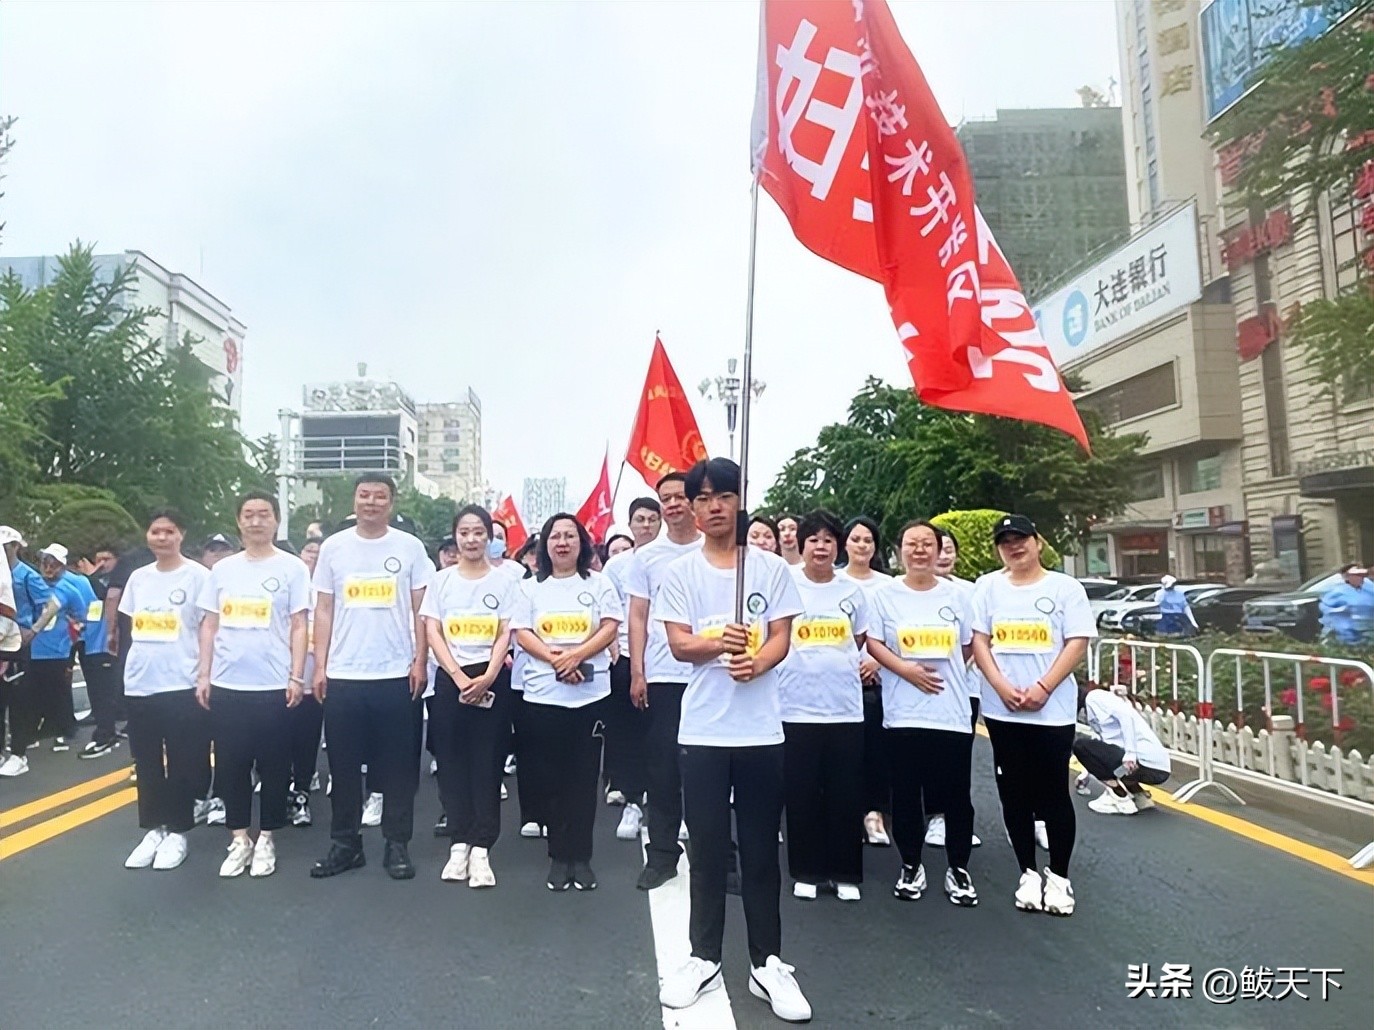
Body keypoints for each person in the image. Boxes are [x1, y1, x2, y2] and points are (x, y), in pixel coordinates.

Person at [656, 458, 810, 1023]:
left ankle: (768, 962)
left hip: (761, 731)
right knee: (709, 847)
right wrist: (722, 645)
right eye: (704, 498)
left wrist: (757, 664)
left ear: (738, 500)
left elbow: (781, 639)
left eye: (724, 495)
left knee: (762, 849)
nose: (714, 506)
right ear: (692, 508)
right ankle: (703, 957)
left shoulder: (768, 569)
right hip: (702, 730)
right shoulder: (680, 574)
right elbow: (677, 645)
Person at [309, 474, 434, 881]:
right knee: (343, 767)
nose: (372, 502)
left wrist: (420, 661)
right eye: (365, 495)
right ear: (355, 500)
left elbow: (421, 611)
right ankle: (346, 844)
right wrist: (321, 665)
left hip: (396, 673)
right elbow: (324, 609)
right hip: (344, 674)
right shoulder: (334, 547)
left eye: (380, 496)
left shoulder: (409, 548)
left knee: (399, 766)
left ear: (391, 504)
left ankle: (396, 844)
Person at [971, 514, 1096, 916]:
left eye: (1021, 538)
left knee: (1054, 793)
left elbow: (1076, 642)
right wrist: (1002, 687)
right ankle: (1028, 872)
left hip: (1052, 710)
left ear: (1037, 542)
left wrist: (1043, 687)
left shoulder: (1065, 588)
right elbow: (980, 641)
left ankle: (1059, 877)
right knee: (1014, 794)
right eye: (1005, 541)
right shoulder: (987, 587)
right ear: (998, 549)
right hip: (1003, 710)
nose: (1014, 546)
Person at [195, 491, 311, 878]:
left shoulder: (293, 568)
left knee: (275, 766)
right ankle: (239, 838)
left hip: (274, 684)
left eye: (264, 514)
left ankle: (267, 838)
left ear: (276, 521)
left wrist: (297, 675)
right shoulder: (222, 571)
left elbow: (299, 625)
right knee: (230, 766)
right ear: (239, 521)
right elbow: (209, 624)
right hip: (229, 684)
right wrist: (204, 674)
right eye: (249, 514)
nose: (256, 521)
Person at [867, 521, 979, 907]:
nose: (919, 550)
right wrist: (907, 671)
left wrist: (947, 673)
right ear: (899, 551)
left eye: (927, 544)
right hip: (903, 712)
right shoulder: (884, 595)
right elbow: (875, 643)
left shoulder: (960, 596)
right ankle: (911, 864)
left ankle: (958, 868)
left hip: (950, 711)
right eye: (911, 543)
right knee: (905, 795)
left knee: (956, 796)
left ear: (938, 550)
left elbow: (970, 645)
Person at [511, 513, 622, 892]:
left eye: (569, 536)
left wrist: (576, 657)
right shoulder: (530, 588)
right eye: (554, 536)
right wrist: (557, 660)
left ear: (581, 543)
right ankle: (559, 856)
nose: (562, 543)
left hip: (590, 696)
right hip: (544, 695)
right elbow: (522, 633)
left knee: (583, 777)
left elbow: (609, 626)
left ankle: (582, 857)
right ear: (545, 545)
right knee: (551, 778)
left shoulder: (600, 583)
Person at [420, 506, 519, 888]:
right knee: (451, 761)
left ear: (490, 537)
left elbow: (504, 633)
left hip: (491, 678)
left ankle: (481, 847)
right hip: (451, 680)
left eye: (480, 532)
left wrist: (489, 675)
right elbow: (434, 632)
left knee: (488, 762)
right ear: (455, 537)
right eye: (465, 532)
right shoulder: (441, 581)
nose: (472, 539)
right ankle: (459, 842)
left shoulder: (505, 581)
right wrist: (459, 676)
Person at [778, 510, 870, 902]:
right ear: (801, 544)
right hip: (794, 707)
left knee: (844, 791)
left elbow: (863, 639)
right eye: (813, 539)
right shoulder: (786, 586)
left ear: (838, 546)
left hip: (844, 708)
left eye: (828, 540)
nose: (821, 546)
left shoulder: (852, 592)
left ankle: (845, 870)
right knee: (801, 792)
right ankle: (807, 869)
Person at [119, 509, 210, 871]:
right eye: (155, 531)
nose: (161, 537)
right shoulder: (138, 578)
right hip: (141, 681)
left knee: (182, 760)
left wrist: (204, 674)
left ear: (181, 535)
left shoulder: (199, 577)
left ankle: (178, 831)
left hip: (181, 681)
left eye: (169, 531)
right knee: (146, 761)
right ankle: (153, 829)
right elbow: (129, 629)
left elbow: (207, 630)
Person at [624, 471, 703, 890]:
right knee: (664, 769)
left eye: (680, 497)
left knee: (710, 769)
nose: (673, 505)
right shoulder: (648, 556)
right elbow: (637, 615)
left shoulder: (716, 549)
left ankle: (718, 858)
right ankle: (662, 856)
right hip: (664, 674)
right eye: (665, 499)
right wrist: (638, 671)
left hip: (710, 674)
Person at [925, 530, 984, 851]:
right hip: (922, 686)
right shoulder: (908, 589)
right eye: (939, 549)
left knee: (958, 756)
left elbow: (977, 638)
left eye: (949, 549)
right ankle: (933, 816)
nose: (944, 555)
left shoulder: (969, 592)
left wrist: (959, 670)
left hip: (964, 689)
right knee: (929, 756)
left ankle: (955, 818)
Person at [839, 516, 893, 847]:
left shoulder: (888, 585)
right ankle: (845, 812)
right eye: (856, 539)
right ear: (845, 543)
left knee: (876, 751)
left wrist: (876, 660)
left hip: (878, 678)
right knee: (844, 753)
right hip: (838, 682)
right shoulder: (833, 582)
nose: (862, 545)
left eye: (868, 540)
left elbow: (894, 630)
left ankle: (874, 814)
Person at [601, 524, 651, 835]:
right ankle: (628, 791)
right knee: (625, 726)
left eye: (651, 518)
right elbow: (608, 608)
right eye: (640, 518)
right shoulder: (617, 566)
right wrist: (612, 645)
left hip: (664, 657)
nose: (646, 524)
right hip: (624, 654)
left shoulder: (671, 560)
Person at [0, 527, 60, 778]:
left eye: (6, 545)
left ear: (16, 547)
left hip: (17, 644)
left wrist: (33, 631)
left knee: (19, 701)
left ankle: (19, 753)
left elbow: (51, 605)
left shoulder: (26, 575)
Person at [24, 544, 90, 755]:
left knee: (59, 691)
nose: (48, 568)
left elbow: (82, 614)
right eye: (45, 562)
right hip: (32, 647)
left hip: (58, 649)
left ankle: (66, 729)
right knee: (33, 692)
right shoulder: (35, 585)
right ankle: (37, 729)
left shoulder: (69, 589)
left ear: (62, 566)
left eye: (53, 564)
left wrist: (72, 634)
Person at [1073, 683, 1170, 815]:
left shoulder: (1095, 697)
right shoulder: (1093, 711)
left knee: (1080, 746)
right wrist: (1087, 774)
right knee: (1101, 752)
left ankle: (1119, 797)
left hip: (1142, 762)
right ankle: (1139, 796)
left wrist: (1130, 753)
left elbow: (1126, 716)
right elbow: (1101, 753)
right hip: (1154, 767)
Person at [287, 536, 325, 825]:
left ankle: (301, 793)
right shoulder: (285, 584)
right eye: (308, 550)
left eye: (317, 552)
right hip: (278, 674)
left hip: (314, 676)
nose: (312, 556)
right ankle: (279, 791)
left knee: (305, 737)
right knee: (276, 739)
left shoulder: (326, 592)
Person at [78, 546, 123, 758]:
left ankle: (106, 735)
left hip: (108, 645)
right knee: (97, 691)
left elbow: (109, 598)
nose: (102, 563)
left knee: (106, 691)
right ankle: (105, 726)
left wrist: (92, 576)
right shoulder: (88, 582)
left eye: (107, 558)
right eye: (98, 559)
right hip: (89, 642)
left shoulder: (117, 581)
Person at [1319, 564, 1374, 645]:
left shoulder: (1369, 588)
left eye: (1361, 575)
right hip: (1346, 636)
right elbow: (1328, 612)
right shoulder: (1337, 593)